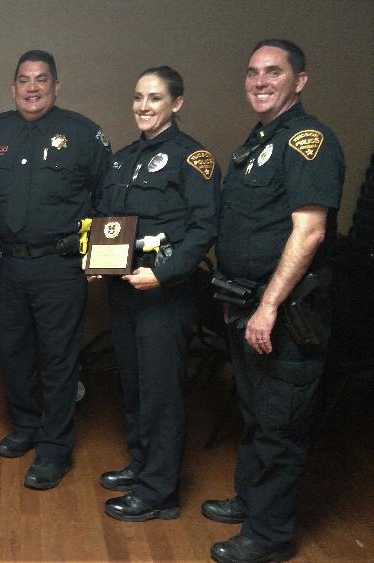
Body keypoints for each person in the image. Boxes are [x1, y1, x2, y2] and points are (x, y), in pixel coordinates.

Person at [204, 39, 343, 563]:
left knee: (281, 424)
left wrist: (266, 308)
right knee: (256, 413)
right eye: (253, 72)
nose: (260, 81)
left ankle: (269, 536)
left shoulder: (308, 140)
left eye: (274, 72)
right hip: (247, 304)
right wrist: (237, 300)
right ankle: (249, 501)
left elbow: (308, 233)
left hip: (286, 313)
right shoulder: (259, 141)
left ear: (299, 81)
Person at [0, 50, 110, 489]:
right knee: (13, 352)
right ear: (13, 87)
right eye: (24, 80)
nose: (32, 88)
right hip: (10, 262)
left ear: (56, 86)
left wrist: (98, 256)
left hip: (60, 264)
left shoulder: (83, 133)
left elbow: (108, 195)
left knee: (58, 359)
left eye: (41, 80)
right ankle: (27, 425)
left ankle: (55, 448)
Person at [94, 66, 219, 521]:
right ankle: (143, 466)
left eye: (154, 98)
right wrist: (97, 262)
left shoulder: (193, 158)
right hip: (125, 292)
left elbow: (203, 229)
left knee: (162, 392)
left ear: (176, 104)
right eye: (138, 97)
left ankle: (158, 493)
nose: (143, 107)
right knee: (134, 385)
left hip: (166, 297)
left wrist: (161, 275)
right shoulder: (123, 159)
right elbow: (111, 221)